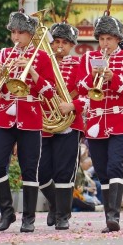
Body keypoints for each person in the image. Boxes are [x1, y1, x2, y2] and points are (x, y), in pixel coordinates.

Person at [0, 11, 55, 233]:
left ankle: (29, 217)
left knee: (29, 169)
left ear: (30, 35)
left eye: (21, 33)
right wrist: (0, 76)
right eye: (13, 33)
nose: (16, 37)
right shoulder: (3, 54)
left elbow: (48, 92)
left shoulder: (42, 57)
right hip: (5, 117)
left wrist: (32, 70)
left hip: (30, 118)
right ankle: (7, 212)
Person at [76, 9, 123, 233]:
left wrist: (114, 78)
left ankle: (113, 217)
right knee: (103, 170)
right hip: (96, 123)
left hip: (120, 119)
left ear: (117, 39)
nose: (105, 43)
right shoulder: (89, 59)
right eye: (102, 39)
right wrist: (93, 76)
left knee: (115, 165)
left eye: (109, 39)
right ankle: (108, 217)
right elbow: (81, 88)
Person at [38, 17, 85, 230]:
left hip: (69, 122)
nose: (59, 46)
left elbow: (87, 93)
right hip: (45, 122)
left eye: (64, 43)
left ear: (71, 46)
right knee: (41, 171)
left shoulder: (79, 64)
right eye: (56, 42)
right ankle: (56, 204)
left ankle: (63, 215)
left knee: (64, 171)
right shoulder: (43, 62)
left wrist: (72, 104)